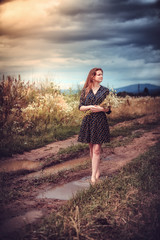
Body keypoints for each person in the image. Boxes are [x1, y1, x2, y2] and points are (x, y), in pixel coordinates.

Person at [78, 67, 110, 184]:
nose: (101, 76)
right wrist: (90, 107)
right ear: (93, 76)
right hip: (88, 120)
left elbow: (109, 109)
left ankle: (93, 177)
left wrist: (101, 109)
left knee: (96, 150)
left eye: (102, 74)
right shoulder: (85, 90)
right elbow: (80, 107)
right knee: (91, 149)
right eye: (99, 75)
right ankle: (96, 170)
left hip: (100, 121)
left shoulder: (105, 91)